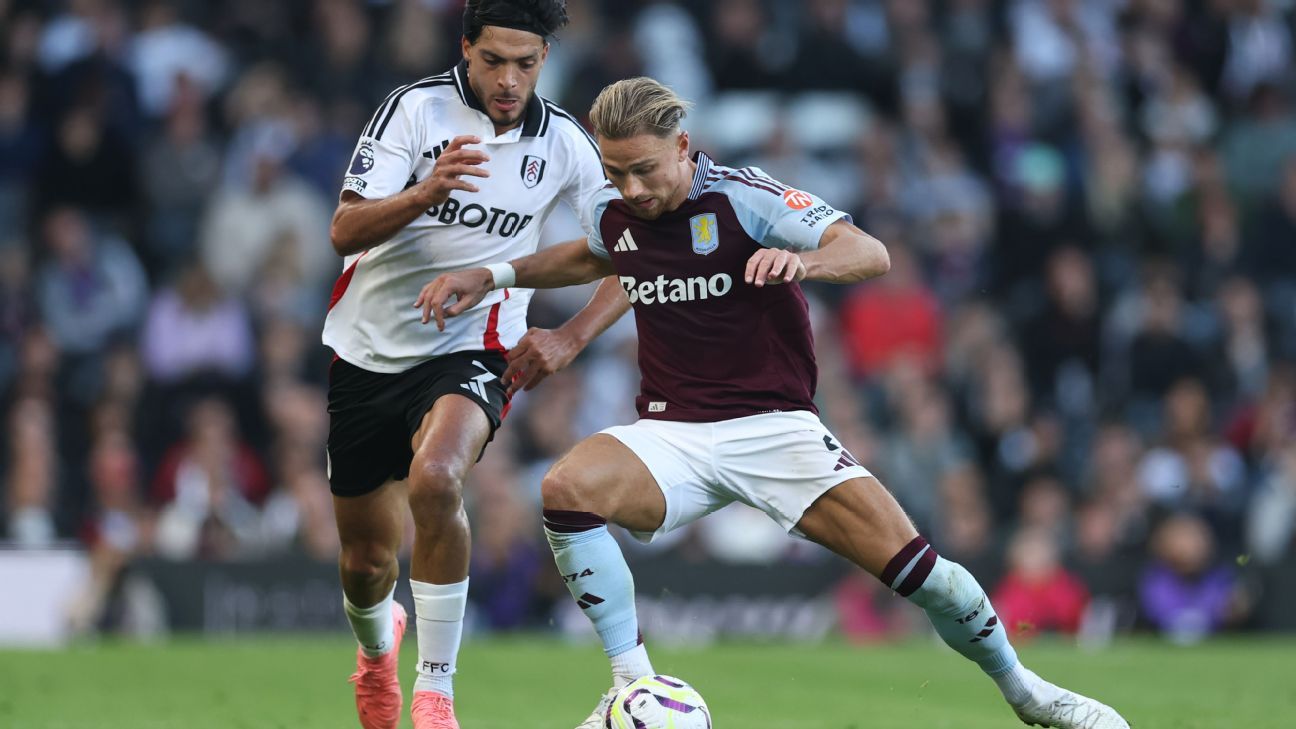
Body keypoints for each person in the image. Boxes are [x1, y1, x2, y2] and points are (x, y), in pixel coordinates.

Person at [420, 77, 1131, 729]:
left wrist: (804, 261)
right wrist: (499, 275)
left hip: (775, 429)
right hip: (674, 430)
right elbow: (602, 253)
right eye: (616, 172)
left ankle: (1025, 690)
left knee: (924, 575)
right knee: (564, 488)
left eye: (645, 168)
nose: (631, 187)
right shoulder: (617, 207)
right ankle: (630, 685)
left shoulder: (742, 197)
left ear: (683, 147)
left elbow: (869, 251)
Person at [322, 2, 627, 727]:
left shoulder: (565, 146)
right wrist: (426, 191)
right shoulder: (415, 112)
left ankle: (436, 691)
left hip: (474, 344)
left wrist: (572, 336)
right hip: (367, 351)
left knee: (436, 477)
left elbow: (629, 252)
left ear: (544, 60)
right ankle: (375, 652)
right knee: (366, 565)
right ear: (466, 48)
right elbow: (343, 227)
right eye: (494, 61)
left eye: (525, 63)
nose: (509, 79)